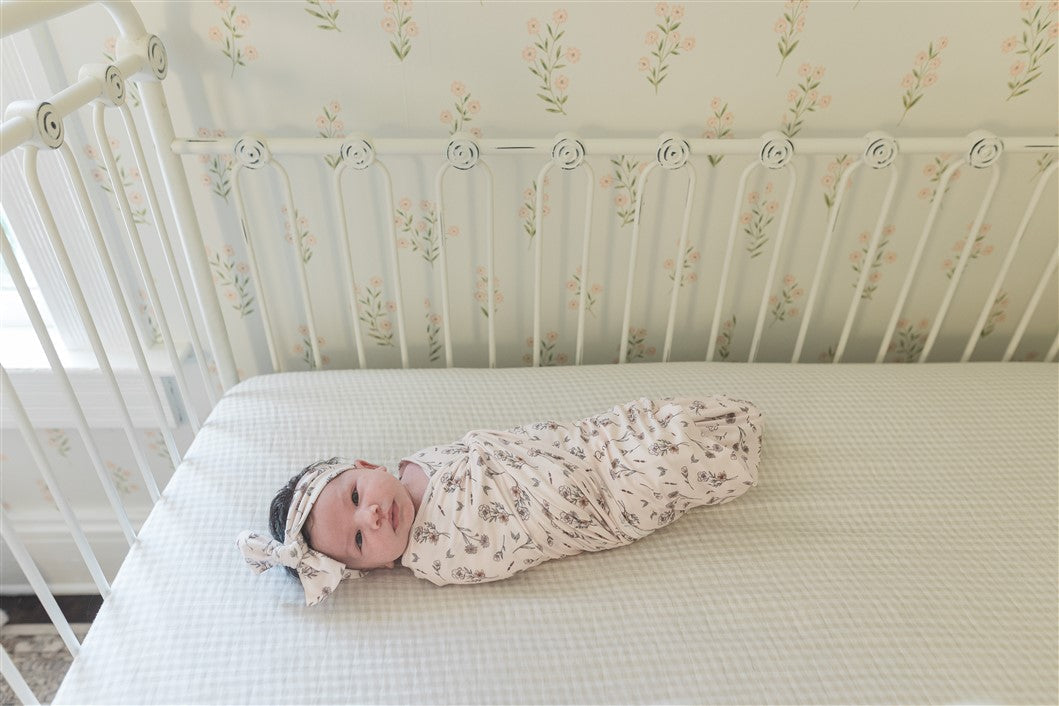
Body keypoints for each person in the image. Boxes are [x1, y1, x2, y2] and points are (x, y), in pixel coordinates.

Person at [237, 395, 763, 606]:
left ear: (368, 466)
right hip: (586, 500)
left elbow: (506, 444)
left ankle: (697, 426)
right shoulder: (435, 557)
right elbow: (514, 541)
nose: (370, 516)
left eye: (355, 496)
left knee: (627, 428)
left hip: (569, 448)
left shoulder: (414, 466)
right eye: (358, 539)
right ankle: (716, 456)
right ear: (371, 568)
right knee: (655, 474)